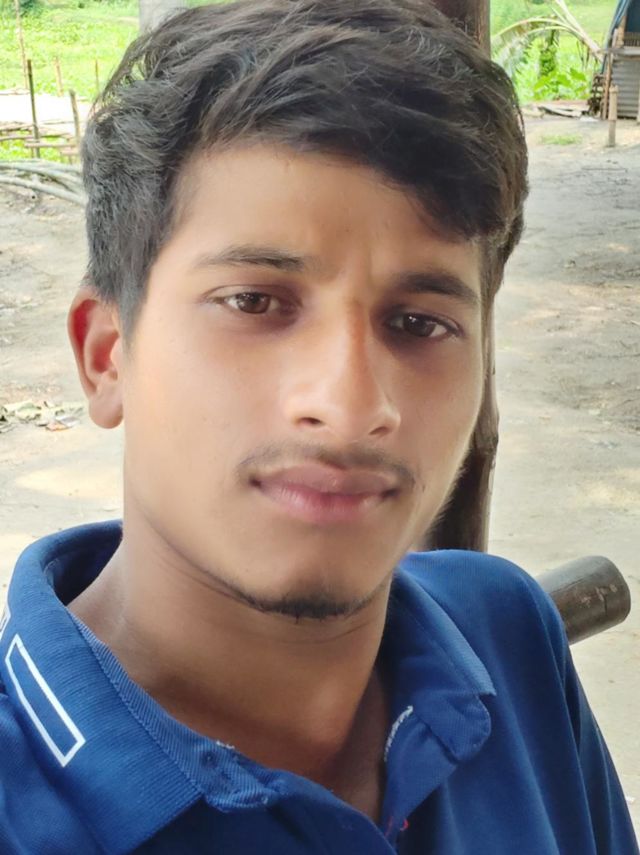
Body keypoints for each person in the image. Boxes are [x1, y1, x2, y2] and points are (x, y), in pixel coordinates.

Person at [0, 0, 637, 852]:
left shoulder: (506, 635)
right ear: (108, 354)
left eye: (419, 322)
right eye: (255, 302)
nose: (352, 404)